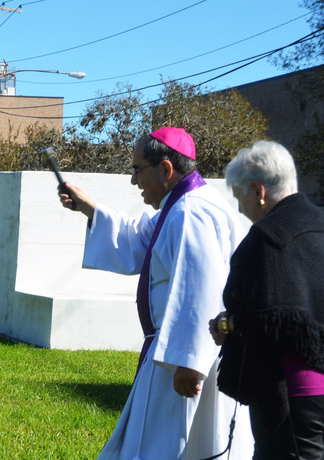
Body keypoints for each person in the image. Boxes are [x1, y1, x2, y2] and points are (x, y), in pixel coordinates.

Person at [58, 127, 253, 459]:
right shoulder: (178, 207)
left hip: (184, 360)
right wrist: (87, 206)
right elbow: (137, 238)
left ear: (165, 169)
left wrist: (189, 362)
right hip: (172, 353)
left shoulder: (192, 212)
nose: (134, 181)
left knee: (172, 446)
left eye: (137, 170)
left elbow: (200, 288)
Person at [208, 140, 324, 459]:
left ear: (258, 191)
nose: (240, 208)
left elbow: (270, 319)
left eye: (239, 196)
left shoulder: (266, 239)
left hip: (293, 396)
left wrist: (227, 323)